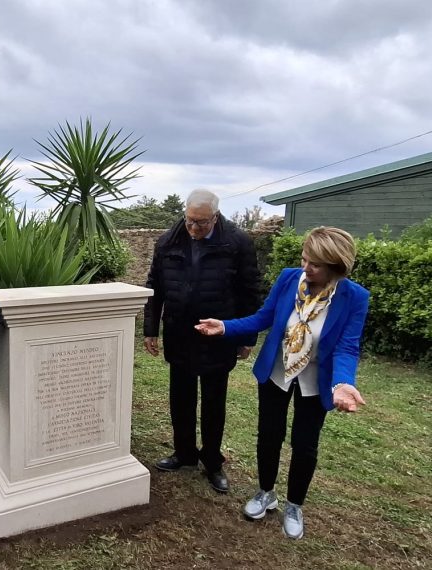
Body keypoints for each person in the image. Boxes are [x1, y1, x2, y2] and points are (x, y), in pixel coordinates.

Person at [195, 226, 369, 540]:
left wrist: (343, 382)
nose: (306, 268)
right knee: (269, 435)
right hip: (277, 373)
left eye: (315, 264)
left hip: (316, 381)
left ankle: (294, 505)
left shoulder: (354, 297)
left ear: (336, 266)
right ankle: (265, 493)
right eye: (305, 259)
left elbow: (347, 346)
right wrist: (224, 326)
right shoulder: (290, 279)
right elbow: (263, 318)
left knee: (304, 445)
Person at [143, 189, 261, 494]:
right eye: (190, 221)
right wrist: (150, 328)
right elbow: (154, 287)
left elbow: (250, 292)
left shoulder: (237, 243)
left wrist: (246, 336)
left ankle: (212, 462)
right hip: (179, 332)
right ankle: (184, 454)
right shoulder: (168, 241)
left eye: (202, 223)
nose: (194, 229)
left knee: (213, 402)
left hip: (217, 335)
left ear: (216, 217)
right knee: (180, 398)